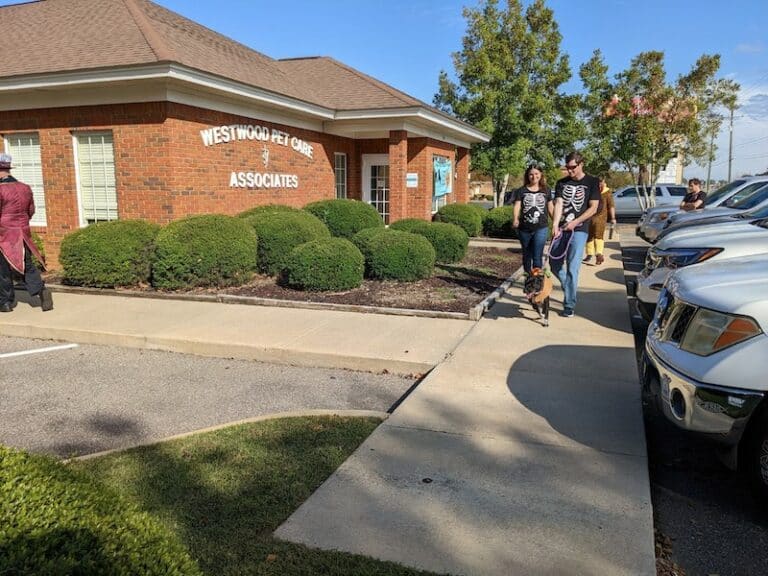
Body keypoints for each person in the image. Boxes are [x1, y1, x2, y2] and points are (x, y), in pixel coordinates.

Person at [0, 153, 53, 312]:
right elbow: (31, 211)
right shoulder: (25, 188)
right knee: (27, 264)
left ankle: (6, 303)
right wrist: (21, 223)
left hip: (4, 233)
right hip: (23, 231)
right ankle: (41, 291)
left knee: (2, 268)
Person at [550, 151, 600, 318]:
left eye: (573, 167)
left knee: (573, 267)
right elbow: (559, 204)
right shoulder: (561, 183)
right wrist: (555, 224)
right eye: (567, 167)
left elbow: (593, 207)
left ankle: (569, 305)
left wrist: (576, 222)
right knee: (554, 264)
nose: (570, 171)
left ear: (581, 164)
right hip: (562, 228)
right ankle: (569, 287)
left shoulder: (592, 182)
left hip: (579, 230)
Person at [512, 164, 552, 276]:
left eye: (536, 174)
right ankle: (528, 278)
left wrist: (556, 223)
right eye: (531, 174)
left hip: (541, 228)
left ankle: (536, 281)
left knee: (537, 255)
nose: (534, 176)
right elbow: (517, 205)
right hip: (524, 229)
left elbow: (550, 207)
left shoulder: (546, 190)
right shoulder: (521, 191)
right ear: (527, 176)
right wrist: (515, 219)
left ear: (541, 175)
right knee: (526, 255)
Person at [583, 175, 616, 265]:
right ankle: (589, 254)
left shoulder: (607, 193)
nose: (599, 184)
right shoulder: (592, 190)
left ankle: (599, 254)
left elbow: (611, 206)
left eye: (600, 182)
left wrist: (613, 218)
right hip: (590, 216)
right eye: (598, 182)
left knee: (598, 235)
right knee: (589, 236)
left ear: (603, 182)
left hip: (601, 217)